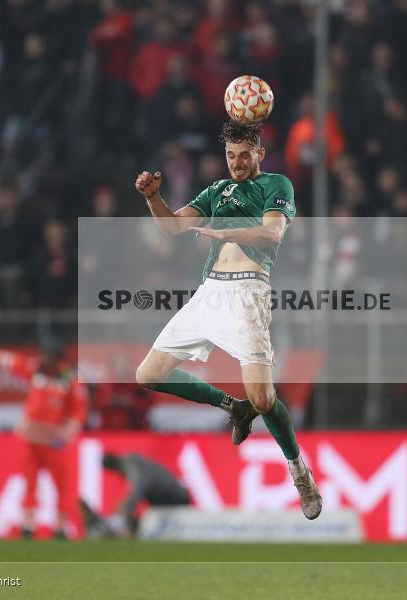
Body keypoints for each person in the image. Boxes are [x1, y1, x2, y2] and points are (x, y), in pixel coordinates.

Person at [132, 120, 321, 520]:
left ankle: (299, 471)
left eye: (244, 155)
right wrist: (154, 199)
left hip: (250, 291)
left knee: (265, 399)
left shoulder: (277, 185)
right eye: (231, 156)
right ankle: (230, 407)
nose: (236, 163)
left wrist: (225, 233)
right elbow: (172, 227)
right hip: (210, 291)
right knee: (148, 373)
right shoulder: (217, 191)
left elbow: (272, 235)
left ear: (260, 154)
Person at [0, 338, 89, 539]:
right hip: (30, 440)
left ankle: (61, 526)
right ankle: (28, 524)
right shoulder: (37, 371)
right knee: (29, 483)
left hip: (55, 443)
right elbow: (12, 361)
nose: (43, 358)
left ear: (57, 358)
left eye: (47, 355)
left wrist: (65, 435)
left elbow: (78, 412)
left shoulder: (70, 380)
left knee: (62, 485)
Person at [79, 452, 191, 539]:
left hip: (175, 498)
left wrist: (126, 519)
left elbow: (135, 494)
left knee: (131, 508)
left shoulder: (133, 466)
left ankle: (116, 526)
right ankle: (115, 525)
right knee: (130, 508)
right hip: (167, 498)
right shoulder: (136, 463)